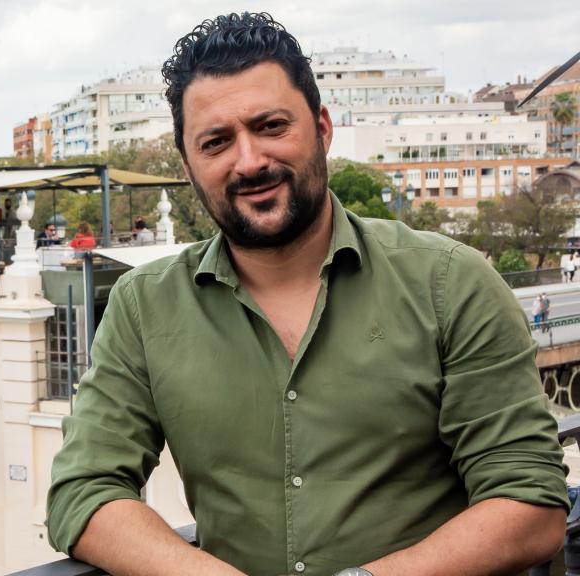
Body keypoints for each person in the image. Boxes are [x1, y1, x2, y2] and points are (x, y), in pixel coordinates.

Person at [46, 13, 568, 576]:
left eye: (271, 126)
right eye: (216, 141)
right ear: (189, 164)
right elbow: (84, 489)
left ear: (321, 127)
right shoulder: (143, 306)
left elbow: (530, 502)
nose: (249, 161)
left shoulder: (450, 282)